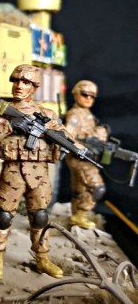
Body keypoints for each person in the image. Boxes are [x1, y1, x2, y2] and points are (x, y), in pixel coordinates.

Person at [0, 64, 66, 281]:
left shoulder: (47, 114)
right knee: (3, 216)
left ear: (35, 87)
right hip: (12, 172)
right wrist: (10, 126)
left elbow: (62, 140)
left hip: (39, 173)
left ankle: (42, 257)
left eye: (26, 82)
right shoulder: (3, 112)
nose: (19, 86)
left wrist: (55, 133)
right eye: (16, 81)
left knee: (40, 216)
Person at [64, 80, 108, 229]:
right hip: (79, 158)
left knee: (80, 188)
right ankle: (80, 215)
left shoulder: (87, 114)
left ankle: (78, 215)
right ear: (76, 94)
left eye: (92, 96)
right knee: (96, 187)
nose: (89, 98)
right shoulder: (75, 115)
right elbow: (67, 137)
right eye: (85, 94)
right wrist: (82, 149)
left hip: (88, 158)